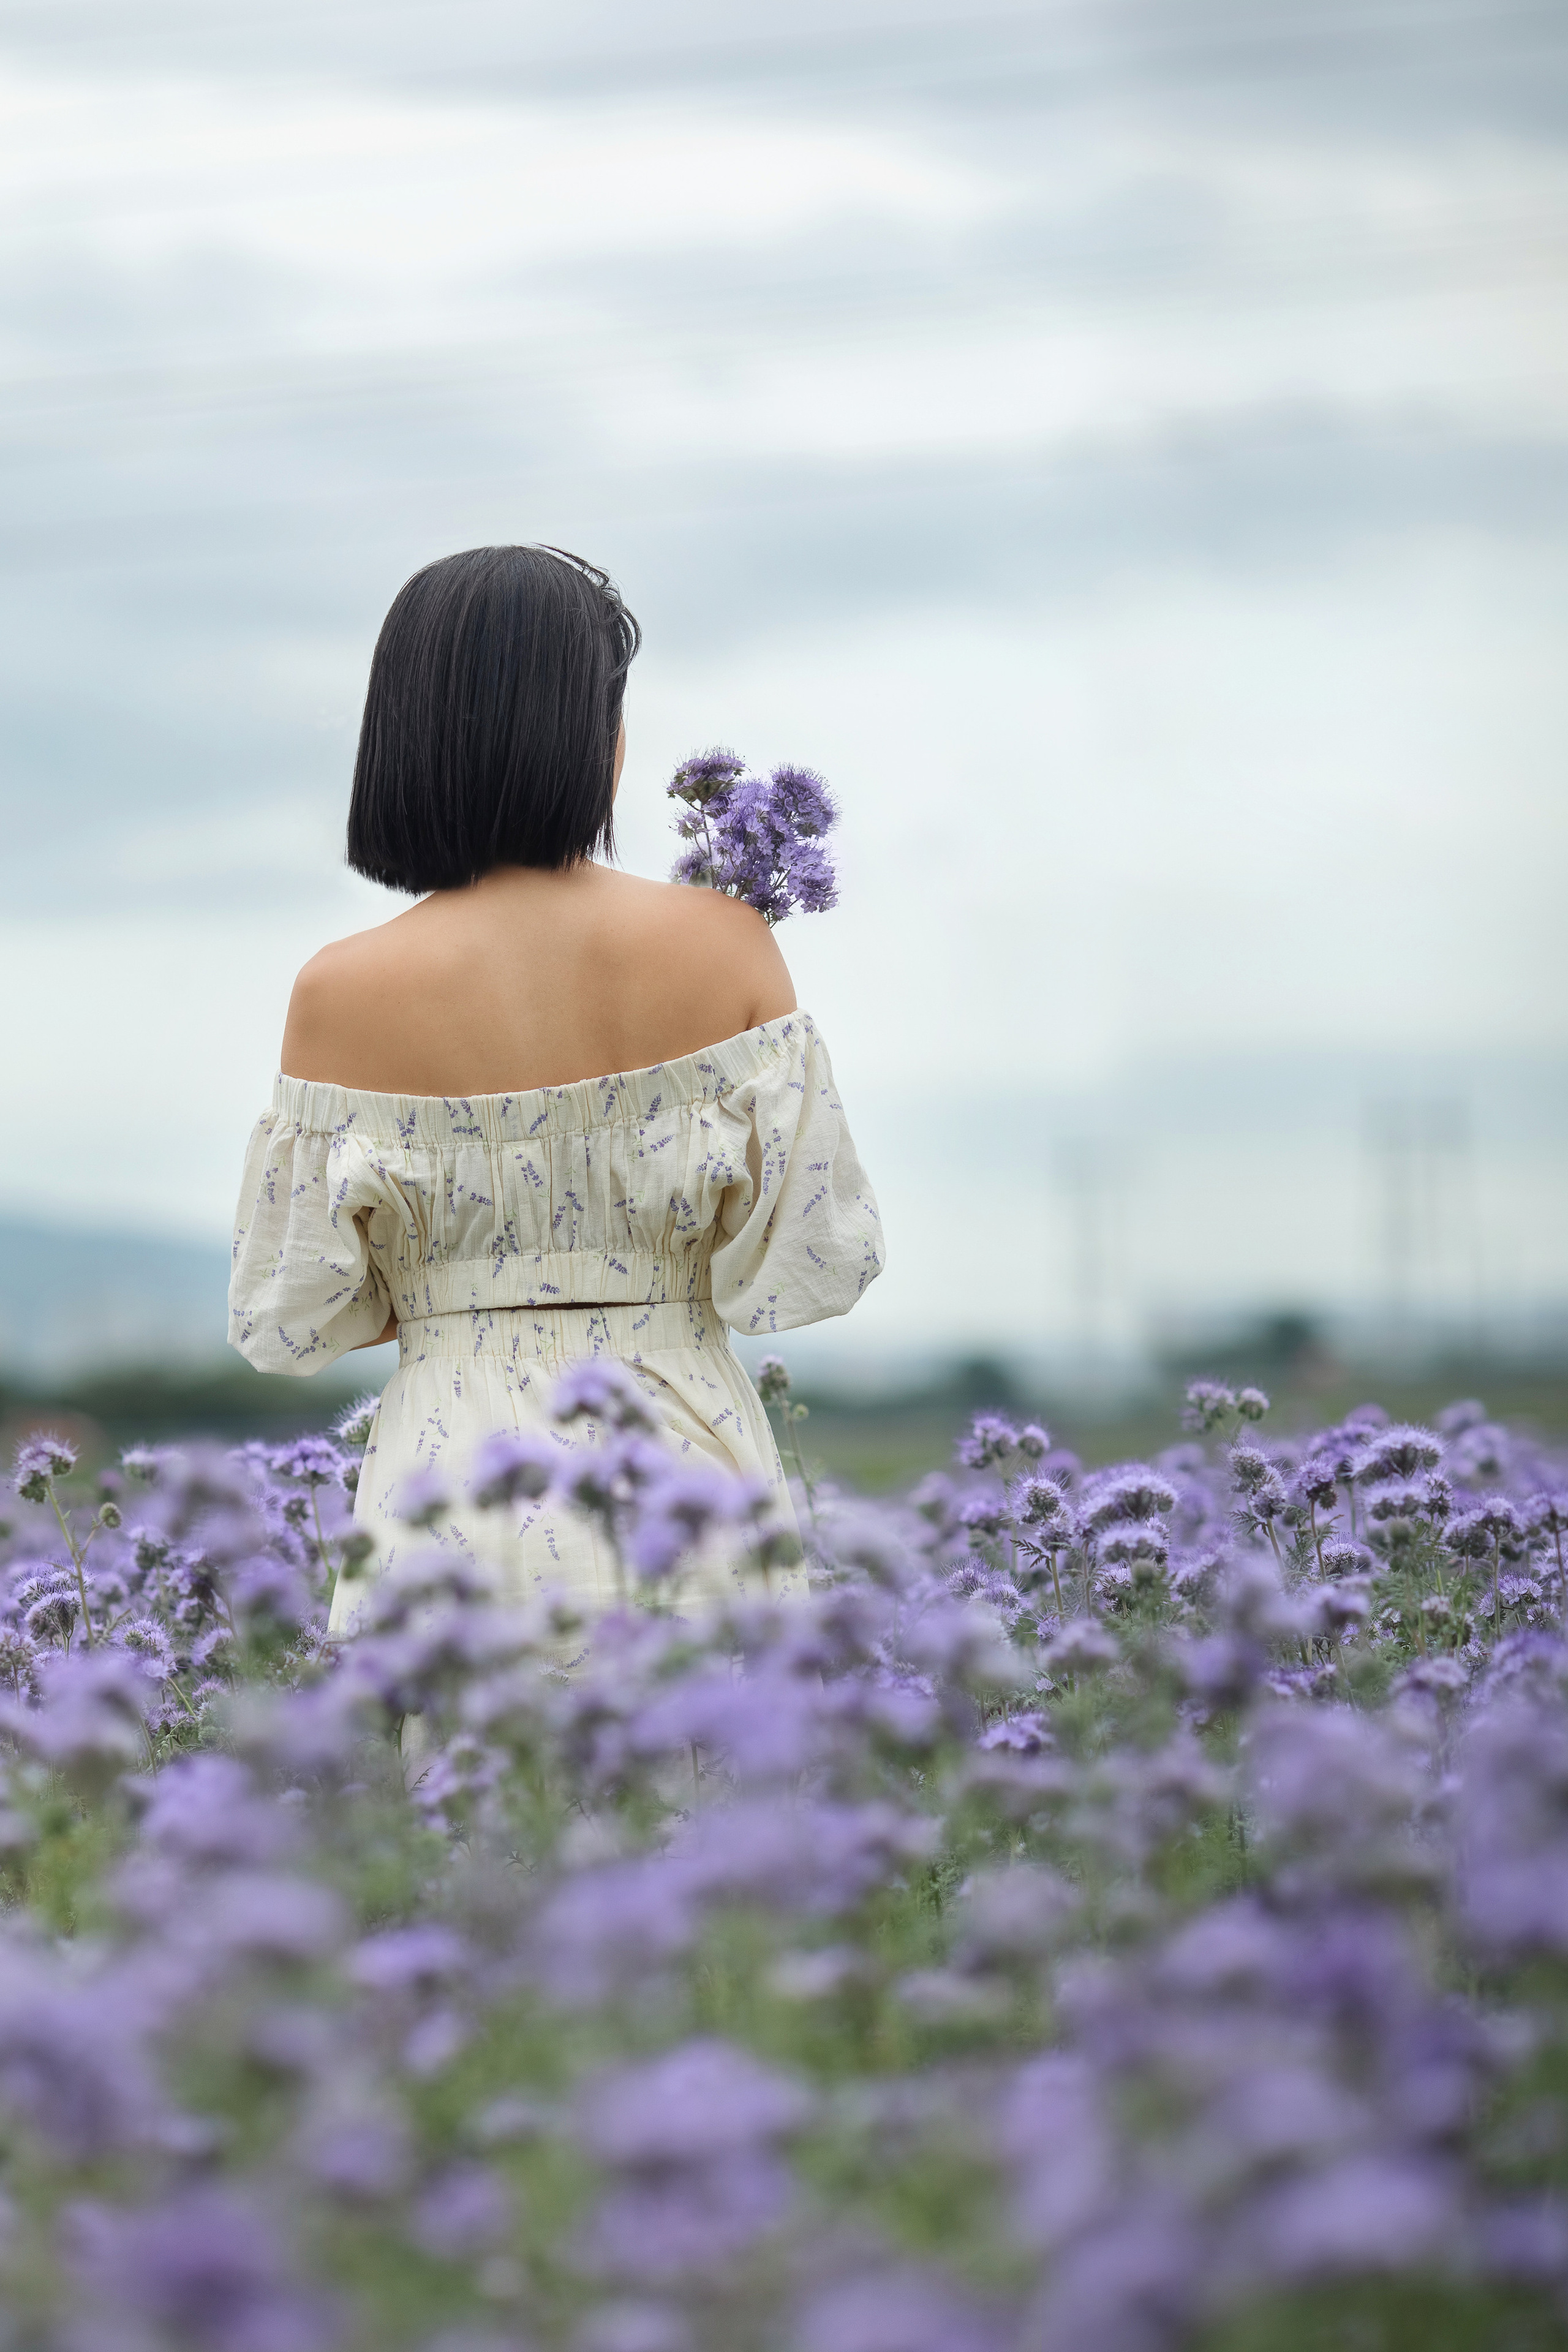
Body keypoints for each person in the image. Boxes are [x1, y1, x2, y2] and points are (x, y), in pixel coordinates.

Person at [227, 545, 883, 1632]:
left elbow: (293, 1318)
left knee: (482, 1795)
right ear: (598, 736)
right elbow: (810, 1262)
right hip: (689, 1477)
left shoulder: (338, 992)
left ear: (400, 736)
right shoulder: (727, 947)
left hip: (447, 1497)